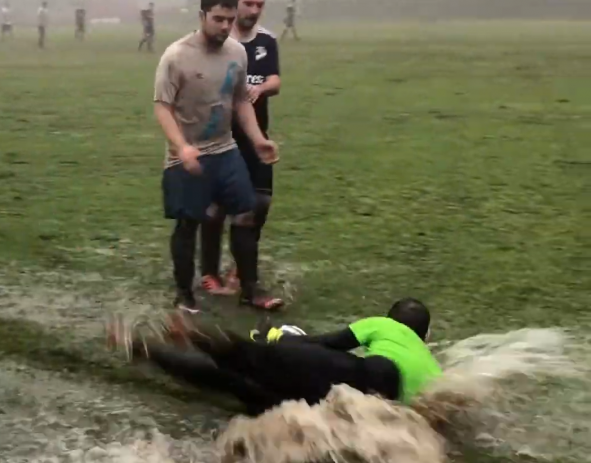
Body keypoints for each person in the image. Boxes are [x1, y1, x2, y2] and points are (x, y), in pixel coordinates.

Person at [154, 0, 280, 313]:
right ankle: (184, 294)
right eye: (218, 19)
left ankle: (250, 289)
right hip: (187, 154)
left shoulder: (237, 52)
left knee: (246, 213)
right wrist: (181, 146)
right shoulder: (176, 55)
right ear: (202, 17)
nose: (225, 27)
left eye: (229, 20)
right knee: (188, 223)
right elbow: (162, 106)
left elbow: (239, 101)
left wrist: (257, 139)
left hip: (225, 150)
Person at [107, 298, 442, 414]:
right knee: (230, 385)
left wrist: (274, 335)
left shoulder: (385, 326)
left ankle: (180, 339)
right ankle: (149, 352)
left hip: (350, 378)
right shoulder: (433, 372)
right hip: (339, 409)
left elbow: (326, 343)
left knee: (249, 358)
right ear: (426, 337)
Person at [199, 0, 281, 305]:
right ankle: (211, 273)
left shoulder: (266, 41)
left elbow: (275, 78)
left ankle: (241, 273)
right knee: (215, 210)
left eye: (260, 4)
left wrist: (260, 89)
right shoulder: (218, 43)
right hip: (219, 140)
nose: (255, 10)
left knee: (258, 203)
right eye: (249, 3)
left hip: (255, 137)